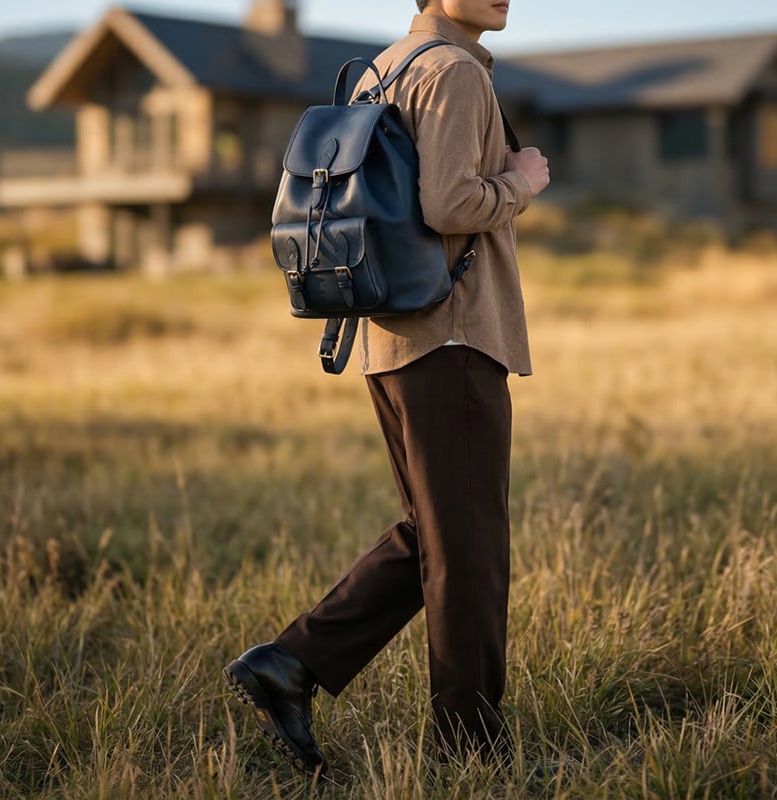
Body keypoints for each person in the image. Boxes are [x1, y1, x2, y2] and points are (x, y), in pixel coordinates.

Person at [223, 0, 550, 773]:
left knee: (434, 534)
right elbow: (451, 204)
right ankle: (471, 752)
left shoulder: (383, 68)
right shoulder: (456, 72)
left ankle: (289, 665)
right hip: (454, 336)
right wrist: (521, 181)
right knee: (468, 551)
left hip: (391, 338)